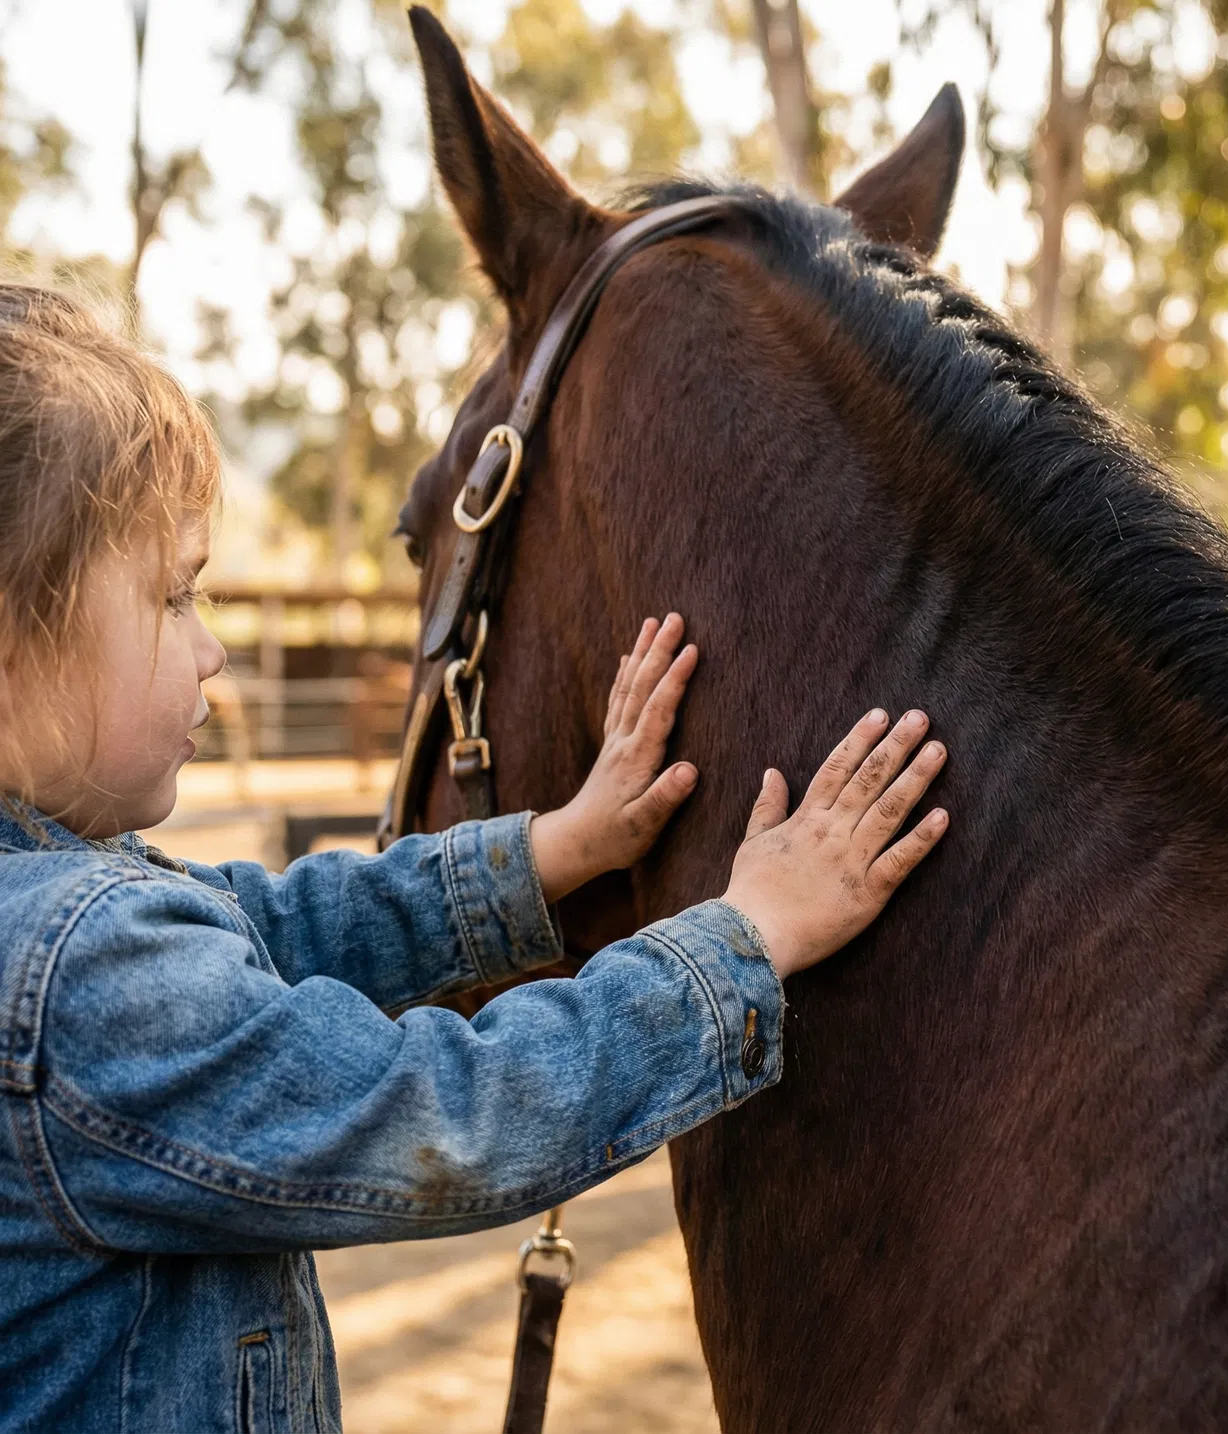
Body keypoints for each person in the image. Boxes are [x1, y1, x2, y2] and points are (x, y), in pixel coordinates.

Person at [0, 282, 950, 1432]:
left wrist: (554, 846)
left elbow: (284, 925)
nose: (211, 650)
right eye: (174, 595)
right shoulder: (77, 974)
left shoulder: (55, 898)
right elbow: (449, 1114)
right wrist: (743, 940)